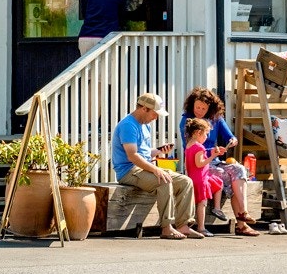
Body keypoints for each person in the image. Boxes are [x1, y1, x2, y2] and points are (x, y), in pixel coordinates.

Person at [112, 92, 199, 239]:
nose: (156, 117)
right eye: (155, 113)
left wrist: (158, 151)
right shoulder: (128, 125)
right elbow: (132, 156)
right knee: (164, 181)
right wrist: (156, 169)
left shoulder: (145, 125)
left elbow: (144, 153)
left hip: (143, 168)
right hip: (128, 171)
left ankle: (184, 226)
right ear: (144, 108)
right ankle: (167, 228)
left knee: (186, 181)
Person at [179, 88, 261, 236]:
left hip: (215, 161)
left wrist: (232, 140)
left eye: (204, 108)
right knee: (227, 175)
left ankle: (243, 212)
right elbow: (191, 147)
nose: (200, 111)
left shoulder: (216, 118)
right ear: (192, 105)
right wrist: (213, 151)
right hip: (200, 164)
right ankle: (241, 224)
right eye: (197, 107)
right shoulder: (188, 121)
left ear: (210, 108)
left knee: (239, 169)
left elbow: (230, 136)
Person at [183, 118, 224, 237]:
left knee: (218, 182)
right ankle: (201, 227)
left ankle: (216, 208)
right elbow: (199, 163)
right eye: (206, 134)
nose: (206, 137)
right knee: (202, 203)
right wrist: (213, 157)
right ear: (198, 132)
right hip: (200, 179)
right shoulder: (199, 147)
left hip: (194, 177)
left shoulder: (189, 145)